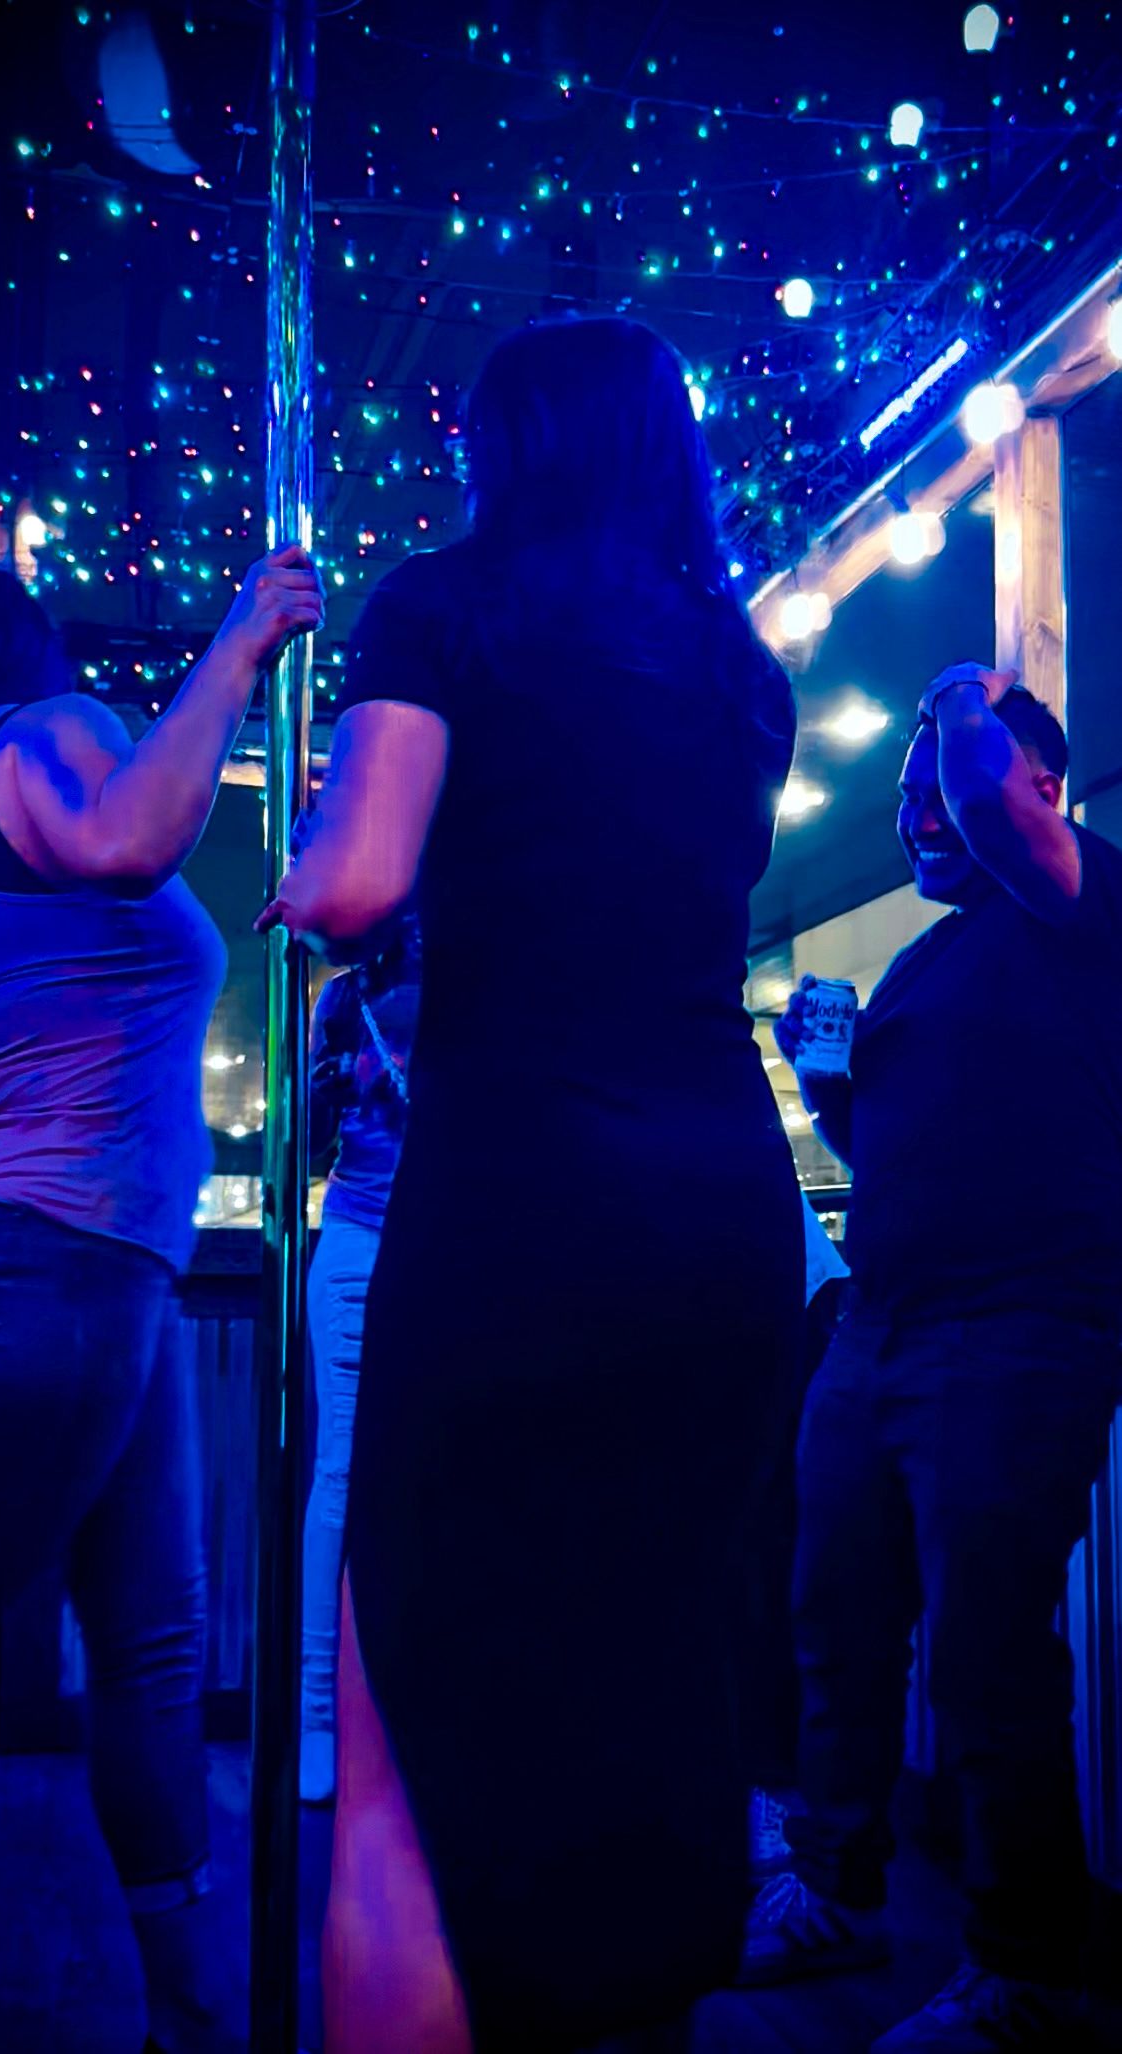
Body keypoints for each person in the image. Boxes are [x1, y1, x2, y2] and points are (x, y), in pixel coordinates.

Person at [259, 315, 803, 2052]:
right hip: (716, 1206)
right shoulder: (735, 664)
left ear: (509, 445)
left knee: (411, 1679)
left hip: (520, 1195)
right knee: (653, 1656)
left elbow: (355, 884)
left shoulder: (440, 608)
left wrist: (291, 866)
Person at [0, 548, 322, 2051]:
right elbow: (126, 841)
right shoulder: (37, 735)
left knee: (155, 1649)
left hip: (109, 1274)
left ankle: (192, 2017)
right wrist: (234, 642)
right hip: (54, 1262)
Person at [744, 669, 1122, 2053]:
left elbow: (979, 782)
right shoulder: (919, 961)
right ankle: (833, 1893)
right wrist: (830, 1086)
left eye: (937, 787)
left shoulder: (1080, 898)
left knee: (981, 1658)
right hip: (879, 1322)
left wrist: (955, 697)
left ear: (1032, 789)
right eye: (903, 797)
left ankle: (1027, 1971)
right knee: (833, 1627)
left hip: (1021, 1329)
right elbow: (884, 1161)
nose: (916, 811)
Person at [300, 916, 420, 1805]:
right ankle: (318, 1717)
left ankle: (384, 1714)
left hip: (445, 1239)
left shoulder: (470, 972)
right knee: (344, 1471)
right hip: (361, 1229)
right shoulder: (341, 1001)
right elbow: (306, 1149)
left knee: (431, 1477)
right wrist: (320, 1088)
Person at [746, 1191, 850, 1878]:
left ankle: (772, 1796)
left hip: (769, 1288)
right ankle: (762, 1791)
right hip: (753, 1280)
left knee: (761, 1548)